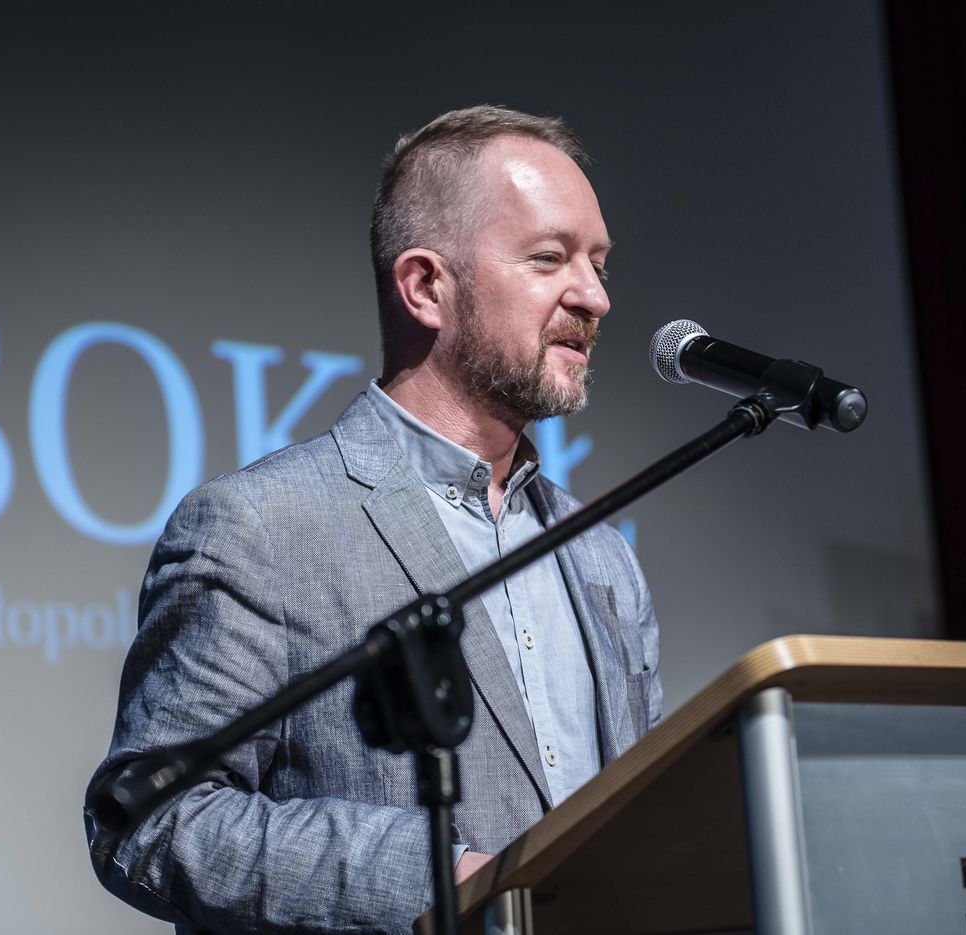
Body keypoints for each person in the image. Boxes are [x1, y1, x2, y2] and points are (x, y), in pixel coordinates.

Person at [84, 105, 662, 934]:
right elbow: (151, 819)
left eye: (599, 264)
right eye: (549, 259)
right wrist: (437, 878)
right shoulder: (259, 526)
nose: (595, 296)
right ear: (426, 286)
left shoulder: (602, 555)